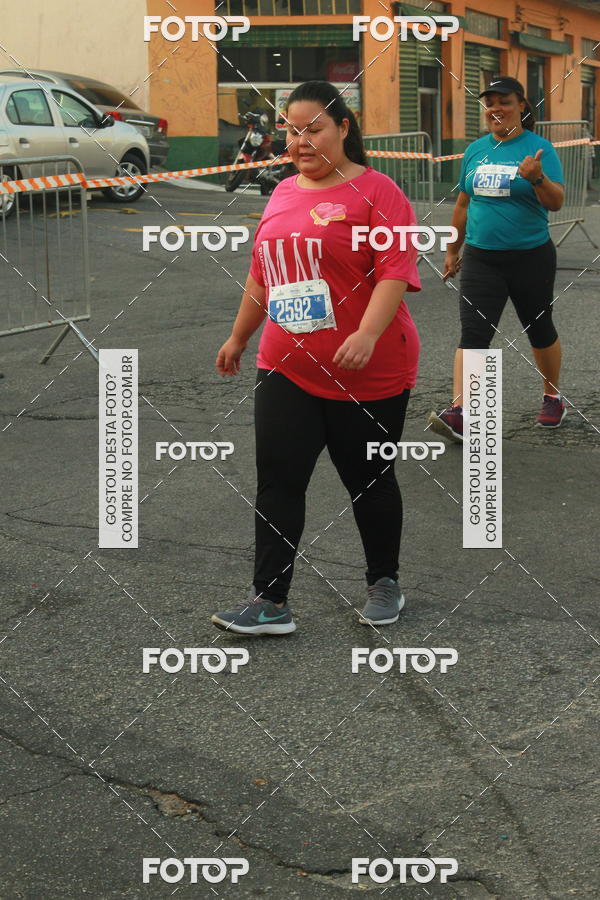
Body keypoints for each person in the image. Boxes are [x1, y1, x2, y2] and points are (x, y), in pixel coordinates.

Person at [211, 80, 421, 635]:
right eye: (291, 129)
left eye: (314, 129)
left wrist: (369, 334)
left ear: (343, 128)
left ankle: (384, 582)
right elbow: (263, 274)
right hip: (287, 365)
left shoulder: (381, 192)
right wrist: (237, 338)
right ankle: (270, 601)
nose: (300, 140)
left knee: (369, 479)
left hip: (367, 370)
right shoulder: (281, 192)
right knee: (278, 480)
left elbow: (395, 270)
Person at [428, 75, 565, 443]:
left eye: (504, 101)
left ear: (522, 105)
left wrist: (537, 180)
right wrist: (453, 250)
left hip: (530, 256)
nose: (495, 108)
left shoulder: (539, 149)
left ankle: (552, 396)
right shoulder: (475, 150)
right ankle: (461, 413)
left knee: (539, 329)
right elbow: (462, 203)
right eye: (489, 102)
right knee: (474, 333)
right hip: (481, 258)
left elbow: (555, 203)